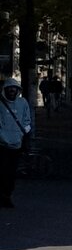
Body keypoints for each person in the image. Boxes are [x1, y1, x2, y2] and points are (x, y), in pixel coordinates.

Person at [0, 78, 32, 208]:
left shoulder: (22, 103)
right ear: (5, 89)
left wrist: (22, 133)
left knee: (11, 173)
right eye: (10, 88)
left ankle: (7, 195)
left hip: (16, 144)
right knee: (2, 171)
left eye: (14, 88)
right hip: (2, 144)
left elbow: (27, 120)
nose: (12, 90)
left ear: (18, 90)